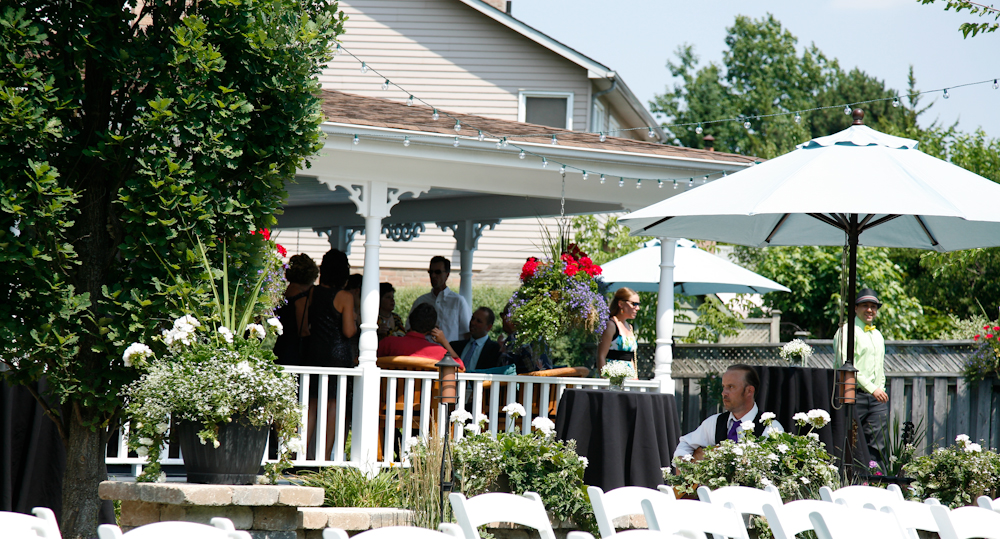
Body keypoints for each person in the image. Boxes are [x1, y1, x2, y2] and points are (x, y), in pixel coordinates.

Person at [303, 249, 356, 459]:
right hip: (337, 356)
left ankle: (301, 454)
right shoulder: (345, 296)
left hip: (314, 352)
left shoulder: (312, 292)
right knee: (333, 404)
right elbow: (348, 331)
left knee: (311, 403)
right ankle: (323, 458)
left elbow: (306, 325)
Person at [674, 364, 784, 459]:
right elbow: (685, 443)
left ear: (749, 391)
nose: (724, 393)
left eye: (730, 387)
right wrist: (685, 466)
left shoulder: (771, 429)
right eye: (723, 387)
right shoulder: (714, 422)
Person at [833, 287, 888, 464]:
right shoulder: (846, 332)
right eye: (865, 305)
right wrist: (873, 389)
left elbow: (879, 367)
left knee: (878, 444)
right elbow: (847, 366)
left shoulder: (878, 335)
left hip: (876, 398)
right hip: (852, 395)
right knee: (849, 442)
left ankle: (875, 479)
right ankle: (848, 481)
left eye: (874, 306)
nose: (870, 309)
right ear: (855, 308)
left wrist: (880, 387)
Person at [378, 303, 465, 369]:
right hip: (426, 393)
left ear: (410, 321)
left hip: (390, 392)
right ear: (432, 329)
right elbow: (460, 367)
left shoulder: (388, 343)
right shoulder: (438, 352)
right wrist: (444, 341)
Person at [408, 255, 472, 342]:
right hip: (422, 352)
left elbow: (467, 333)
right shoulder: (420, 301)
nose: (433, 275)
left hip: (448, 353)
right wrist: (426, 330)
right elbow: (408, 330)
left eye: (438, 272)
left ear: (447, 275)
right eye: (431, 272)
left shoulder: (458, 301)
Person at [272, 253, 318, 365]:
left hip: (279, 344)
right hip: (293, 349)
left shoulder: (284, 293)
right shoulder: (301, 298)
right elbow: (303, 329)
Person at [597, 287, 640, 375]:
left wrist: (635, 378)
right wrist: (605, 381)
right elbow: (601, 356)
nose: (637, 308)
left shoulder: (630, 327)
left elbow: (631, 357)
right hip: (613, 378)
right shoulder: (611, 325)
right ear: (620, 303)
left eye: (638, 304)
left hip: (629, 378)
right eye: (634, 304)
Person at [450, 307, 501, 372]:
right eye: (473, 318)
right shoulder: (455, 346)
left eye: (478, 321)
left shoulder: (495, 350)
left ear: (488, 327)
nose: (473, 323)